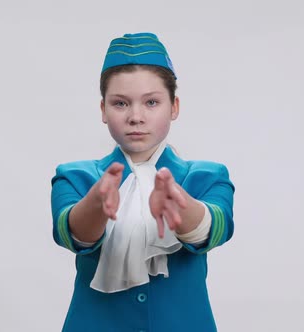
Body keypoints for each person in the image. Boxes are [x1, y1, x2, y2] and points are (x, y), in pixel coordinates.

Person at [50, 32, 235, 332]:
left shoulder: (207, 176)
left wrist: (180, 204)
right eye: (120, 103)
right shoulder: (74, 177)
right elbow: (72, 235)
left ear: (174, 107)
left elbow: (216, 229)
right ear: (103, 110)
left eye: (151, 102)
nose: (136, 116)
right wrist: (97, 204)